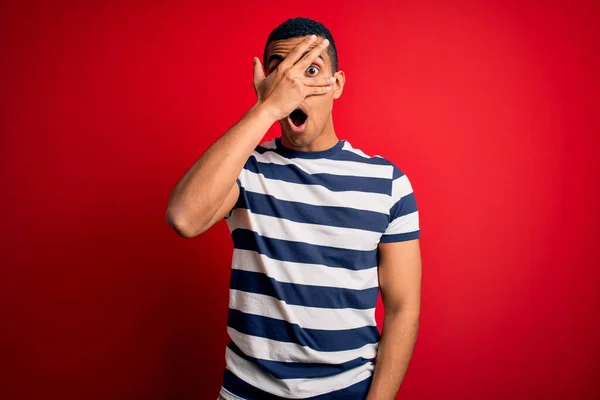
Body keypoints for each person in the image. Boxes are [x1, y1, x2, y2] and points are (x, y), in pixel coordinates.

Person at [166, 17, 422, 400]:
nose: (295, 87)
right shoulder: (246, 170)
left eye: (311, 71)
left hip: (347, 391)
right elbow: (184, 217)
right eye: (281, 74)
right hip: (246, 391)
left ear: (336, 85)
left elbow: (403, 308)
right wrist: (265, 109)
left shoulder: (387, 183)